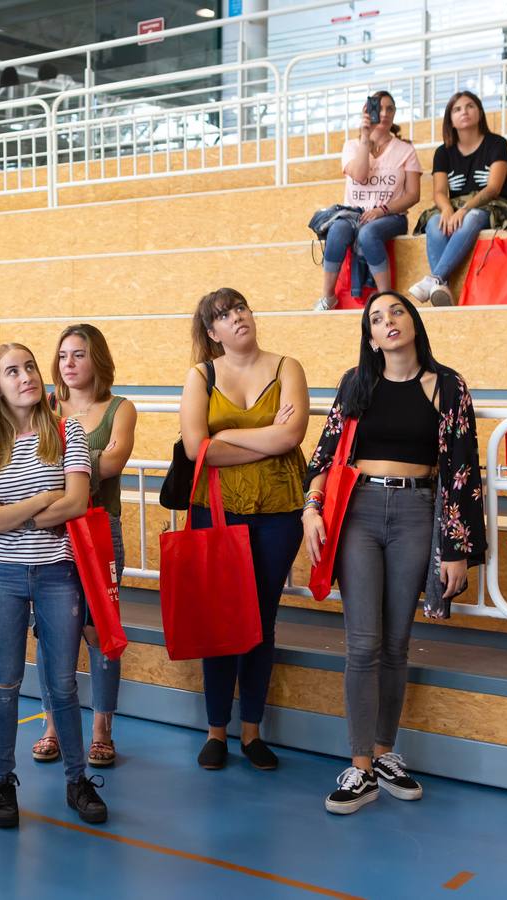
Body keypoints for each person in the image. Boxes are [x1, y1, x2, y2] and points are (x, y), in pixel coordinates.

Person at [304, 291, 486, 814]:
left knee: (397, 644)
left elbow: (461, 469)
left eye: (396, 313)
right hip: (359, 512)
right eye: (376, 318)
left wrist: (454, 547)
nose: (388, 323)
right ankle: (359, 767)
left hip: (417, 513)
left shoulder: (448, 386)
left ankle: (385, 755)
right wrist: (311, 508)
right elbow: (324, 454)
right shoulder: (356, 384)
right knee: (362, 642)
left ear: (413, 321)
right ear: (369, 335)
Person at [0, 342, 108, 829]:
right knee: (5, 683)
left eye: (28, 367)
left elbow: (75, 505)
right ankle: (2, 782)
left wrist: (9, 512)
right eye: (11, 371)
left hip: (57, 575)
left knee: (63, 684)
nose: (25, 376)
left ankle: (77, 780)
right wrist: (43, 498)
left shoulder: (69, 434)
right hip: (1, 578)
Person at [180, 288, 309, 771]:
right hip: (215, 508)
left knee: (261, 621)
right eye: (224, 316)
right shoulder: (201, 375)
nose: (237, 318)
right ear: (212, 333)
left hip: (278, 510)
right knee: (219, 622)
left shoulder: (286, 367)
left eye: (241, 309)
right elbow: (196, 448)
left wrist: (226, 437)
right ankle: (216, 730)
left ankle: (251, 731)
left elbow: (291, 437)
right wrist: (263, 440)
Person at [33, 324, 137, 768]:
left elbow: (114, 462)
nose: (68, 364)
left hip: (99, 531)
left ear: (98, 359)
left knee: (100, 634)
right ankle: (53, 724)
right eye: (62, 357)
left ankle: (101, 729)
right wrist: (79, 464)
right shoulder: (45, 407)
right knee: (50, 633)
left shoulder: (120, 408)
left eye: (78, 355)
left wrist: (63, 460)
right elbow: (27, 457)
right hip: (53, 531)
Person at [409, 91, 507, 307]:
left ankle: (435, 278)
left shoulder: (497, 144)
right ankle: (441, 287)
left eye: (470, 106)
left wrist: (464, 209)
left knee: (472, 217)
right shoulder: (443, 152)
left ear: (479, 112)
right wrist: (447, 209)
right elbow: (439, 192)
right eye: (457, 109)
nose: (464, 112)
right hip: (456, 206)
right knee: (434, 222)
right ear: (450, 119)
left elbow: (493, 188)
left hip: (491, 205)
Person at [314, 91, 421, 311]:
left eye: (390, 109)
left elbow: (413, 195)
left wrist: (382, 210)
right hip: (354, 214)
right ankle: (328, 297)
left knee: (368, 233)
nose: (384, 113)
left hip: (391, 216)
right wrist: (365, 138)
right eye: (378, 108)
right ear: (367, 112)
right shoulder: (352, 146)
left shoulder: (405, 149)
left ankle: (387, 298)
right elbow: (360, 175)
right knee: (338, 231)